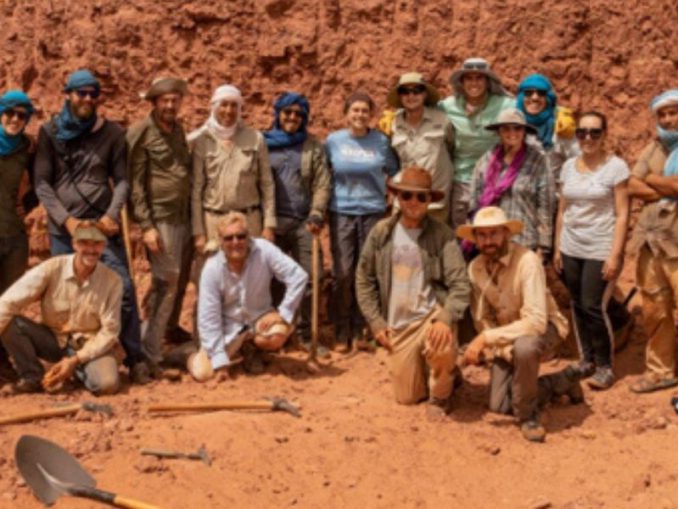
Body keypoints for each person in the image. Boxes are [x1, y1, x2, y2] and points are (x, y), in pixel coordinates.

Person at [33, 69, 148, 384]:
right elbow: (42, 183)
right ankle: (70, 356)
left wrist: (112, 214)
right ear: (68, 95)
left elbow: (121, 180)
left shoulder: (111, 133)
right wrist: (67, 221)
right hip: (64, 230)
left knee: (124, 287)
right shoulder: (50, 132)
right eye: (81, 93)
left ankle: (135, 357)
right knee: (66, 295)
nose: (87, 99)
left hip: (100, 228)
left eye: (92, 94)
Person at [458, 207, 580, 443]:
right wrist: (503, 348)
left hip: (545, 329)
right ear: (475, 239)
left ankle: (529, 416)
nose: (488, 241)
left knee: (525, 347)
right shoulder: (475, 268)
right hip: (506, 337)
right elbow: (483, 320)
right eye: (482, 235)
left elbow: (536, 322)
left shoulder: (527, 261)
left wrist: (488, 340)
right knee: (499, 405)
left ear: (506, 233)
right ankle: (560, 381)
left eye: (494, 233)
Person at [355, 166, 469, 416]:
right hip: (399, 325)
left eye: (421, 196)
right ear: (397, 197)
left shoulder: (442, 235)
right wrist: (376, 322)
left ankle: (441, 396)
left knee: (441, 345)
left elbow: (460, 284)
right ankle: (447, 372)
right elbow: (364, 278)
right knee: (407, 397)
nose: (413, 202)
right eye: (407, 195)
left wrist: (445, 318)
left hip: (430, 315)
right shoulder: (381, 233)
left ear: (429, 200)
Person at [554, 111, 629, 390]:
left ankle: (605, 365)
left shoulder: (616, 168)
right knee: (577, 304)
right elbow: (563, 210)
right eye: (582, 132)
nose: (588, 138)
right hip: (571, 246)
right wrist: (558, 247)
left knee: (593, 306)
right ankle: (586, 360)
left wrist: (615, 254)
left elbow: (622, 214)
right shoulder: (568, 167)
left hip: (600, 246)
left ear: (604, 134)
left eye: (594, 132)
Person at [0, 223, 122, 394]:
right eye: (84, 243)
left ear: (103, 246)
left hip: (88, 345)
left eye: (96, 244)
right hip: (54, 340)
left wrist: (75, 361)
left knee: (107, 384)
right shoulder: (52, 268)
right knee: (11, 322)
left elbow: (110, 332)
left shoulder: (112, 281)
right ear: (74, 244)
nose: (91, 250)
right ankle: (32, 377)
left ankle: (76, 372)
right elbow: (8, 301)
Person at [190, 212, 308, 380]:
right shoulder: (212, 268)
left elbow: (298, 276)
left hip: (259, 319)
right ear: (221, 241)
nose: (235, 242)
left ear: (249, 236)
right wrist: (220, 362)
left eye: (241, 236)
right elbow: (209, 317)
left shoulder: (264, 250)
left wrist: (282, 313)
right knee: (203, 373)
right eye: (229, 238)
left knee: (276, 335)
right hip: (228, 328)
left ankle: (251, 350)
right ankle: (186, 354)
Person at [127, 77, 193, 375]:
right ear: (154, 102)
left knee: (171, 284)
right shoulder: (141, 132)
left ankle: (152, 346)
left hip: (182, 217)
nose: (170, 105)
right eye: (164, 100)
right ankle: (150, 355)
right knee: (167, 281)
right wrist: (146, 226)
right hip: (160, 219)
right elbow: (135, 183)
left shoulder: (178, 130)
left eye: (174, 100)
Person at [325, 92, 399, 352]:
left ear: (371, 115)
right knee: (343, 272)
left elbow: (394, 172)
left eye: (364, 111)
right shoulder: (333, 141)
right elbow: (323, 175)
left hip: (372, 212)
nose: (359, 115)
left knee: (366, 271)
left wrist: (392, 200)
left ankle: (361, 328)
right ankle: (341, 327)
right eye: (355, 110)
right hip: (341, 211)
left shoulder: (381, 142)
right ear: (346, 114)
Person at [263, 91, 331, 352]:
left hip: (304, 222)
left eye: (298, 114)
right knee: (271, 280)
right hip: (272, 224)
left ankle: (304, 335)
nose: (292, 117)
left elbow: (322, 183)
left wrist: (317, 212)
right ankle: (275, 334)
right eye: (287, 112)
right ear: (278, 114)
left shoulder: (312, 146)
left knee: (312, 277)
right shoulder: (263, 143)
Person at [628, 90, 678, 393]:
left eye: (673, 112)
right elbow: (632, 185)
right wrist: (665, 185)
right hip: (651, 241)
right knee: (655, 309)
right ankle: (661, 371)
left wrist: (652, 179)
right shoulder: (653, 147)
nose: (668, 119)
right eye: (663, 114)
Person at [191, 84, 276, 255]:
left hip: (249, 222)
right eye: (224, 105)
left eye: (234, 105)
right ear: (215, 107)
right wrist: (198, 232)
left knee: (251, 269)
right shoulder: (202, 140)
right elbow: (196, 190)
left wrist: (269, 224)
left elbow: (267, 184)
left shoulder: (255, 138)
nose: (228, 111)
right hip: (214, 223)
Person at [438, 57, 514, 229]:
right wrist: (395, 116)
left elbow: (532, 107)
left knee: (491, 230)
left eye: (479, 78)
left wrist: (559, 112)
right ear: (462, 82)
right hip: (461, 180)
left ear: (487, 81)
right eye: (469, 78)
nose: (474, 83)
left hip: (494, 179)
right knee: (461, 231)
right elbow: (423, 108)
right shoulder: (449, 106)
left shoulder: (504, 104)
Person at [470, 108, 554, 254]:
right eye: (506, 129)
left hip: (525, 241)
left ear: (524, 131)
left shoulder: (538, 161)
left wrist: (543, 246)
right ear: (499, 132)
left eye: (517, 128)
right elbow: (475, 200)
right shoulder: (486, 160)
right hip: (492, 242)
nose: (512, 133)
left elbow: (545, 207)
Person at [388, 72, 455, 224]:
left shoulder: (442, 121)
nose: (411, 96)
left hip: (435, 202)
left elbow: (452, 149)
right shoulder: (394, 123)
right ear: (400, 96)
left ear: (424, 94)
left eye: (417, 90)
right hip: (405, 201)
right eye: (405, 91)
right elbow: (394, 158)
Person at [0, 90, 35, 295]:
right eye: (10, 113)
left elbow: (42, 181)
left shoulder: (28, 148)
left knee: (10, 299)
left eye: (22, 115)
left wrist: (28, 205)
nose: (15, 119)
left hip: (14, 238)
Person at [516, 74, 579, 183]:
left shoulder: (561, 127)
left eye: (541, 93)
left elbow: (578, 161)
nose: (535, 98)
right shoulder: (512, 126)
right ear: (521, 98)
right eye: (528, 93)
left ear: (548, 98)